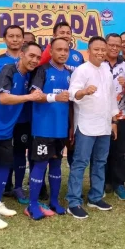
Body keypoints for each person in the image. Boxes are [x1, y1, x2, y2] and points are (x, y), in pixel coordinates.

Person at [0, 42, 43, 230]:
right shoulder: (7, 69)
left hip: (5, 129)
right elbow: (3, 99)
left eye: (38, 57)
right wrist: (29, 97)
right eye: (31, 56)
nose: (34, 60)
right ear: (21, 54)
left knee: (4, 164)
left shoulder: (29, 75)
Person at [66, 36, 119, 219]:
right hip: (86, 124)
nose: (100, 53)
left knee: (100, 162)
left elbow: (112, 96)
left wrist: (114, 120)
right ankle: (73, 201)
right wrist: (84, 91)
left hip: (104, 124)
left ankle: (95, 197)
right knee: (80, 163)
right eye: (96, 49)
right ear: (88, 51)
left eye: (103, 50)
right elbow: (72, 93)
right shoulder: (81, 70)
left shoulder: (106, 69)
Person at [28, 38, 73, 218]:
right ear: (51, 51)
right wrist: (55, 97)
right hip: (43, 128)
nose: (63, 53)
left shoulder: (70, 73)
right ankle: (32, 204)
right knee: (40, 164)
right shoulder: (42, 70)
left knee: (56, 164)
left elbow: (70, 102)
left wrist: (70, 125)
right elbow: (34, 95)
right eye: (59, 50)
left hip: (61, 128)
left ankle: (54, 201)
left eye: (66, 50)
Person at [104, 34, 125, 201]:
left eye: (117, 45)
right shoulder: (98, 65)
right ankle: (104, 182)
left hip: (121, 115)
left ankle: (119, 183)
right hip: (101, 115)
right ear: (105, 45)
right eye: (111, 44)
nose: (114, 48)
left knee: (119, 151)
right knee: (102, 151)